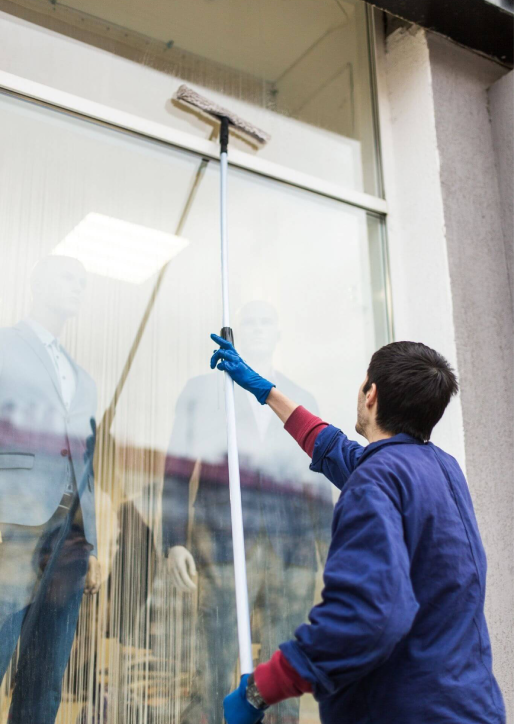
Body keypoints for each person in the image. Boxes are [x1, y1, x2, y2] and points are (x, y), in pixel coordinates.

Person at [210, 334, 506, 724]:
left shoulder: (377, 479)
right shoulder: (440, 469)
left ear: (371, 394)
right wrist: (265, 391)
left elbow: (366, 615)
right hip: (471, 706)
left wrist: (259, 690)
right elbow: (331, 447)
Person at [161, 302, 333, 724]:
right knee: (216, 659)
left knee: (287, 667)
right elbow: (178, 471)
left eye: (266, 322)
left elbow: (316, 485)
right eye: (249, 321)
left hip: (289, 551)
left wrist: (333, 551)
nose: (257, 328)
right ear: (238, 331)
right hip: (222, 546)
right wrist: (174, 540)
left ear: (278, 334)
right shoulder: (205, 391)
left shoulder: (300, 399)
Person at [0, 255, 100, 723]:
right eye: (67, 276)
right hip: (13, 525)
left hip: (68, 543)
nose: (77, 287)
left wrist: (91, 542)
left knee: (45, 678)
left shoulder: (84, 380)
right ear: (36, 281)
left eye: (83, 282)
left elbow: (86, 465)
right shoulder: (5, 345)